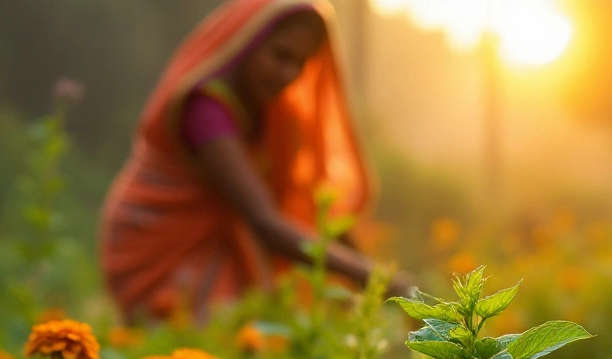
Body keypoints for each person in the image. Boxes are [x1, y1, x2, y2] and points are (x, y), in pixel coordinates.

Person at [100, 0, 408, 323]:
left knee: (251, 338)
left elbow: (314, 204)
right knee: (219, 342)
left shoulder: (272, 113)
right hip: (156, 247)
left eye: (301, 63)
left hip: (217, 245)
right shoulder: (207, 110)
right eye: (281, 55)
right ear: (248, 41)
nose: (289, 74)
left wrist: (377, 275)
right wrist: (377, 278)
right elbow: (265, 222)